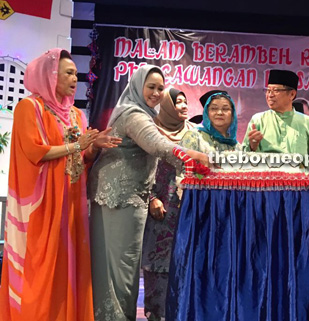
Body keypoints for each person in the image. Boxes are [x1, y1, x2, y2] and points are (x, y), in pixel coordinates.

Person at [0, 48, 119, 321]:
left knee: (69, 264)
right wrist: (77, 145)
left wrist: (93, 147)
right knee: (41, 265)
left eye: (76, 74)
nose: (75, 78)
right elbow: (34, 152)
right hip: (43, 202)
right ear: (49, 75)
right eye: (68, 73)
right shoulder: (29, 107)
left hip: (72, 200)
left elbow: (80, 157)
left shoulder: (76, 114)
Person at [87, 65, 207, 320]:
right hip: (119, 196)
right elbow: (156, 144)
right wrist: (190, 156)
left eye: (160, 88)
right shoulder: (134, 115)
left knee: (121, 266)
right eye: (150, 86)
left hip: (126, 195)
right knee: (120, 267)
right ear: (137, 86)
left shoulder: (139, 111)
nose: (155, 92)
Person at [141, 88, 195, 320]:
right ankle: (156, 314)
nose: (183, 106)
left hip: (187, 207)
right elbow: (140, 169)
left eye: (185, 102)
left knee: (184, 262)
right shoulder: (150, 132)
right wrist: (151, 198)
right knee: (157, 263)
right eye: (177, 102)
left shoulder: (194, 133)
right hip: (160, 207)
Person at [243, 69, 309, 169]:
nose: (270, 95)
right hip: (267, 181)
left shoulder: (307, 123)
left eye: (276, 90)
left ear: (291, 94)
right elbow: (243, 160)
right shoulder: (258, 120)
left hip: (298, 182)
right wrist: (252, 147)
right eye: (268, 90)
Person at [179, 90, 241, 154]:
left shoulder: (236, 145)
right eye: (214, 108)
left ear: (232, 114)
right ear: (206, 113)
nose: (219, 113)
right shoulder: (194, 137)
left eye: (225, 109)